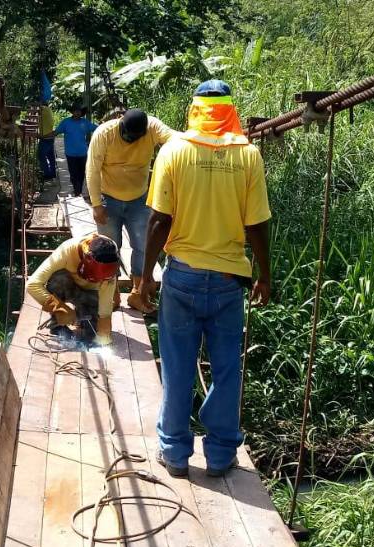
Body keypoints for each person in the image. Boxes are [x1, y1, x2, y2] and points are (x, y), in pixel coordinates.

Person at [139, 80, 272, 478]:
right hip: (230, 279)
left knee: (178, 367)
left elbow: (160, 219)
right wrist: (265, 275)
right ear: (231, 110)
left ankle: (176, 456)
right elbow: (258, 224)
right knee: (227, 367)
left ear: (194, 110)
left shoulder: (173, 151)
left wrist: (145, 277)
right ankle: (218, 456)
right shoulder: (249, 155)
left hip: (181, 277)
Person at [86, 109, 175, 313]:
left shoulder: (152, 127)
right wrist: (96, 204)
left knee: (143, 245)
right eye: (127, 136)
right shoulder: (104, 134)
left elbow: (175, 139)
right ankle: (112, 295)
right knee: (108, 249)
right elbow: (92, 169)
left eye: (136, 138)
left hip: (140, 199)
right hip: (108, 199)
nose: (131, 140)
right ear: (120, 125)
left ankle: (137, 293)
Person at [26, 233, 119, 346]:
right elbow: (32, 284)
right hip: (69, 287)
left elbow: (105, 309)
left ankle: (84, 319)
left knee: (96, 336)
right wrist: (59, 308)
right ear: (87, 257)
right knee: (58, 279)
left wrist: (104, 332)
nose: (100, 280)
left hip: (91, 295)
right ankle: (58, 326)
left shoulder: (110, 262)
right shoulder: (67, 250)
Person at [47, 103, 98, 196]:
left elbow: (97, 128)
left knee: (81, 172)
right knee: (73, 172)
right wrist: (42, 136)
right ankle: (77, 189)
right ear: (72, 112)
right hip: (70, 153)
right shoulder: (66, 122)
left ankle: (78, 190)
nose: (77, 113)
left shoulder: (85, 122)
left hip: (83, 153)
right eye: (75, 111)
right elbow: (56, 132)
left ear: (81, 113)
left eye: (79, 111)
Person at [37, 101, 56, 180]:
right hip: (49, 137)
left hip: (45, 138)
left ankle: (47, 174)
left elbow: (39, 107)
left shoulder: (44, 109)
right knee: (50, 156)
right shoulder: (49, 111)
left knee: (41, 155)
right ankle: (52, 173)